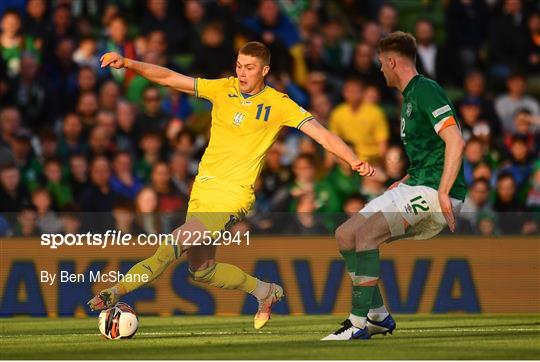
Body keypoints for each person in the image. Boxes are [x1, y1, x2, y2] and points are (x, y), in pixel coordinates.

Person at [87, 41, 375, 330]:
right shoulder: (222, 88)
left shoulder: (279, 104)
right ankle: (265, 291)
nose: (241, 72)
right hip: (202, 191)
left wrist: (353, 160)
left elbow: (321, 134)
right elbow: (170, 78)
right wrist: (128, 63)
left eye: (249, 68)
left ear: (265, 70)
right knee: (202, 271)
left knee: (175, 242)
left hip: (232, 195)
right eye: (239, 65)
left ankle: (116, 291)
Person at [322, 31, 466, 341]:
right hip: (416, 184)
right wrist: (402, 181)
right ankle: (377, 316)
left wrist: (443, 191)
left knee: (368, 234)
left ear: (391, 61)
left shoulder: (426, 90)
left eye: (380, 64)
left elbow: (455, 140)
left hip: (434, 191)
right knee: (346, 235)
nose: (380, 70)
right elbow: (429, 152)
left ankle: (357, 324)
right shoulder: (409, 97)